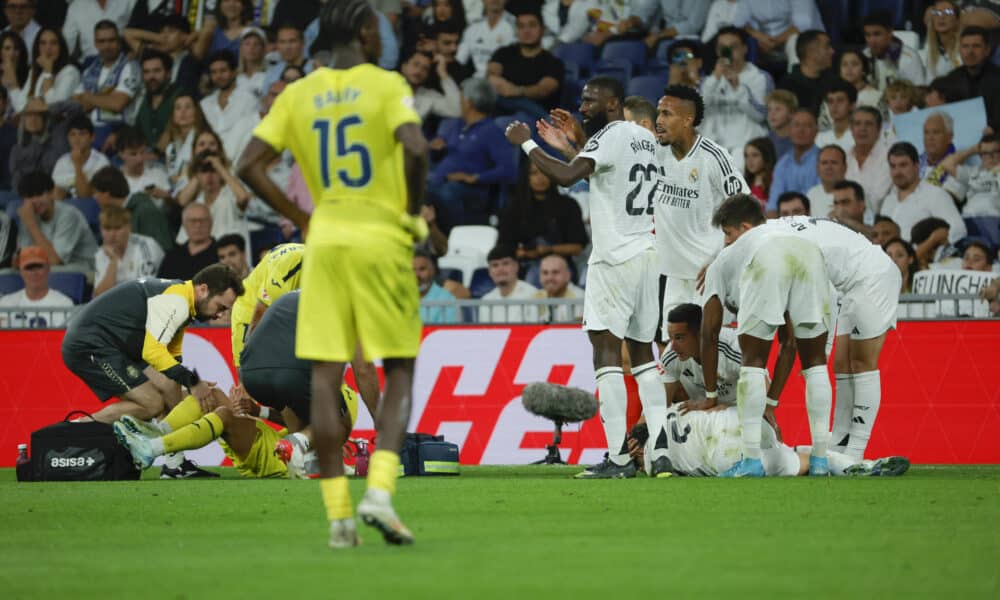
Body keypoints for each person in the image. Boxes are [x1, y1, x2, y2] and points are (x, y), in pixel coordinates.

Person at [236, 0, 431, 549]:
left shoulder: (297, 93)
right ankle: (381, 493)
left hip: (323, 244)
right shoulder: (384, 83)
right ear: (366, 32)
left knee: (324, 376)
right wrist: (411, 213)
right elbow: (415, 148)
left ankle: (338, 514)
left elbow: (247, 164)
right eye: (380, 30)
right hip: (380, 240)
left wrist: (303, 218)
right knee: (399, 371)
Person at [506, 75, 671, 481]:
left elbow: (565, 178)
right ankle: (662, 452)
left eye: (591, 101)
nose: (583, 106)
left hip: (614, 259)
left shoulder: (612, 134)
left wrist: (527, 142)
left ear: (614, 104)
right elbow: (606, 176)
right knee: (645, 357)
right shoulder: (646, 139)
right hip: (648, 255)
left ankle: (616, 458)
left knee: (606, 355)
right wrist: (577, 144)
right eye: (583, 99)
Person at [61, 263, 241, 478]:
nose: (219, 315)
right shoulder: (177, 303)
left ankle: (175, 465)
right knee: (151, 403)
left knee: (168, 387)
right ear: (203, 290)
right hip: (89, 345)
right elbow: (153, 353)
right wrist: (194, 383)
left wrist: (190, 389)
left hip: (113, 345)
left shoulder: (183, 302)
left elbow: (170, 367)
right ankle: (68, 434)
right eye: (220, 307)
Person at [701, 193, 833, 477]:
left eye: (727, 233)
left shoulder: (723, 260)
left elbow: (708, 334)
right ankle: (820, 460)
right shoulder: (789, 231)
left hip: (766, 260)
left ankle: (751, 461)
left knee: (753, 362)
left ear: (745, 229)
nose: (725, 241)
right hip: (812, 255)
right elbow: (789, 343)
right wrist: (771, 402)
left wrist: (710, 395)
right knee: (816, 364)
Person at [766, 214, 901, 461]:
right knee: (842, 364)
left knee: (861, 363)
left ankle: (856, 451)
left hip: (873, 276)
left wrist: (822, 348)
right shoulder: (775, 230)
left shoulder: (781, 245)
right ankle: (839, 443)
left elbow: (822, 288)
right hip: (848, 284)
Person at [652, 84, 750, 324]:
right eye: (658, 112)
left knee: (711, 353)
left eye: (667, 114)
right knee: (675, 357)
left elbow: (747, 212)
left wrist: (722, 260)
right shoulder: (655, 152)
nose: (658, 120)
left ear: (687, 119)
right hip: (673, 275)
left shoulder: (714, 157)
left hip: (709, 276)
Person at [632, 403, 911, 477]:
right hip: (741, 419)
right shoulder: (665, 410)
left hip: (724, 451)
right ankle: (859, 464)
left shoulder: (653, 461)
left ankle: (847, 466)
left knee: (799, 463)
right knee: (788, 452)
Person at [426, 77, 517, 232]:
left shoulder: (492, 132)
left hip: (469, 193)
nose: (459, 102)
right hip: (437, 180)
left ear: (469, 102)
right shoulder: (456, 125)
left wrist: (474, 178)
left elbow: (509, 170)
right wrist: (437, 147)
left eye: (461, 97)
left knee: (446, 192)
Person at [699, 26, 771, 166]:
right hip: (714, 147)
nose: (727, 53)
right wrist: (714, 79)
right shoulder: (709, 80)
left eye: (733, 47)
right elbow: (698, 112)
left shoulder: (759, 77)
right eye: (722, 48)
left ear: (744, 49)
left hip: (745, 147)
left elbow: (760, 115)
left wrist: (738, 89)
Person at [228, 242, 305, 372]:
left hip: (279, 311)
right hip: (250, 310)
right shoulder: (291, 264)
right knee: (247, 376)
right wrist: (249, 358)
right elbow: (260, 311)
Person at [497, 159, 588, 264]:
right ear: (526, 177)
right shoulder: (513, 208)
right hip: (522, 265)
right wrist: (522, 253)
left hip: (559, 265)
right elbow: (503, 246)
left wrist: (548, 250)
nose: (540, 178)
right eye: (534, 173)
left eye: (545, 173)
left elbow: (577, 247)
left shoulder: (568, 205)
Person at [71, 20, 141, 150]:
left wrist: (87, 96)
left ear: (119, 42)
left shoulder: (130, 66)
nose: (107, 46)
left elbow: (118, 104)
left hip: (118, 129)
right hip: (88, 128)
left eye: (111, 40)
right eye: (102, 42)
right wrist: (106, 96)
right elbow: (76, 102)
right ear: (96, 44)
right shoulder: (90, 68)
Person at [658, 303, 743, 409]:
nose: (673, 347)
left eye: (679, 338)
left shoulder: (734, 349)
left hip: (739, 409)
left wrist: (727, 409)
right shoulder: (670, 357)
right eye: (670, 338)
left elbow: (762, 393)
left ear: (701, 333)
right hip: (699, 410)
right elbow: (659, 407)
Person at [881, 141, 966, 244]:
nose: (897, 172)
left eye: (903, 165)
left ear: (917, 166)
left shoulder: (935, 195)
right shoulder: (888, 201)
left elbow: (958, 231)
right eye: (893, 166)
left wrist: (929, 247)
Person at [486, 11, 563, 120]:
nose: (526, 31)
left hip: (534, 114)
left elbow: (544, 90)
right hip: (501, 107)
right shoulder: (503, 53)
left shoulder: (553, 62)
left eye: (532, 25)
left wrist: (516, 91)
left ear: (542, 29)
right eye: (521, 26)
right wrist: (508, 90)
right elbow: (492, 77)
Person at [15, 171, 97, 272]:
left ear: (51, 193)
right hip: (49, 267)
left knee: (47, 271)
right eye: (29, 196)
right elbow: (24, 258)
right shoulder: (29, 216)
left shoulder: (69, 214)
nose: (34, 201)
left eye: (39, 195)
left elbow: (54, 261)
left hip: (84, 267)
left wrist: (32, 224)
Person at [175, 144, 251, 247]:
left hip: (230, 260)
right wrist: (198, 168)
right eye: (204, 171)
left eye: (213, 171)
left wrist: (219, 166)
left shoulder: (231, 196)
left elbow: (243, 197)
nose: (209, 176)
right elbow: (182, 201)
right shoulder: (197, 203)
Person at [91, 165, 172, 253]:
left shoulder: (146, 211)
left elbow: (162, 249)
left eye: (95, 193)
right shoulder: (116, 213)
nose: (94, 197)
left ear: (106, 194)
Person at [200, 50, 260, 164]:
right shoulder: (205, 104)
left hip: (239, 160)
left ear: (234, 72)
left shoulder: (248, 99)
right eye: (214, 72)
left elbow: (250, 136)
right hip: (209, 160)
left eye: (223, 71)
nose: (218, 76)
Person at [92, 205, 165, 297]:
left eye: (117, 228)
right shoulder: (101, 254)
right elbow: (99, 296)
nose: (112, 234)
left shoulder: (146, 246)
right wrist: (113, 262)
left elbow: (147, 291)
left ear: (129, 227)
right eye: (107, 229)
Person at [941, 26, 1000, 129]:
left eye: (976, 46)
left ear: (987, 50)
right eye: (965, 46)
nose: (970, 52)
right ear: (959, 51)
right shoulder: (951, 79)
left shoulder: (997, 78)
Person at [0, 246, 73, 328]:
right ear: (21, 271)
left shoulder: (63, 303)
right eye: (29, 268)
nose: (34, 273)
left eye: (39, 267)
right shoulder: (6, 303)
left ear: (48, 268)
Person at [14, 27, 79, 113]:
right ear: (38, 48)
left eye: (53, 43)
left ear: (61, 47)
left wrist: (48, 72)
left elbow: (55, 106)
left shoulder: (70, 71)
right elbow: (20, 106)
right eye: (43, 43)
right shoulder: (34, 71)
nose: (48, 48)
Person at [767, 108, 819, 215]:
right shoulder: (782, 163)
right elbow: (773, 205)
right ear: (789, 130)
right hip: (786, 221)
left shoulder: (823, 160)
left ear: (816, 131)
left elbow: (821, 199)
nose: (801, 130)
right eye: (796, 125)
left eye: (807, 125)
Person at [132, 49, 183, 154]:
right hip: (145, 159)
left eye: (156, 71)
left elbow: (173, 130)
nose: (151, 77)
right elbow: (136, 134)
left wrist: (154, 154)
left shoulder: (180, 95)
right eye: (146, 72)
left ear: (169, 74)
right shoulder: (142, 100)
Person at [936, 132, 1000, 216]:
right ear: (980, 156)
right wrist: (972, 150)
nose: (990, 157)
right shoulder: (973, 172)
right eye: (985, 153)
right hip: (970, 219)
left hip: (994, 219)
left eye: (995, 152)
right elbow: (946, 164)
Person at [862, 10, 926, 91]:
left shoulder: (909, 58)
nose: (872, 40)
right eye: (868, 35)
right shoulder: (864, 55)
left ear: (890, 32)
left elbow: (919, 91)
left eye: (877, 34)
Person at [778, 30, 836, 116]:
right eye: (827, 47)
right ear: (811, 52)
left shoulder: (834, 81)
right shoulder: (787, 86)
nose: (832, 51)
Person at [51, 114, 109, 200]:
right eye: (72, 134)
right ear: (68, 138)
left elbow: (85, 197)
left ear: (92, 137)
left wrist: (77, 165)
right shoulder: (62, 161)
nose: (77, 139)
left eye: (82, 134)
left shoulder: (102, 161)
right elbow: (55, 192)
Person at [846, 106, 893, 213]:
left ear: (879, 129)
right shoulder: (844, 156)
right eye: (857, 124)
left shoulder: (889, 157)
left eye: (868, 124)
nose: (862, 128)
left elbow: (877, 200)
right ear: (851, 129)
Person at [477, 243, 539, 322]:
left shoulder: (533, 295)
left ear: (516, 266)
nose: (500, 269)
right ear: (489, 271)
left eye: (505, 263)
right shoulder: (486, 301)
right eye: (495, 265)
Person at [158, 203, 218, 280]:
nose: (198, 225)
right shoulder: (172, 257)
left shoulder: (221, 254)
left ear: (211, 222)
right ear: (184, 224)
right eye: (193, 221)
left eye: (203, 220)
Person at [160, 93, 208, 187]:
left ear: (196, 112)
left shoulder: (203, 140)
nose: (183, 112)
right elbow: (171, 177)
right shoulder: (171, 148)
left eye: (188, 107)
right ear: (173, 115)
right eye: (178, 108)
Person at [457, 0, 515, 78]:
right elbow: (459, 60)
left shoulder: (517, 26)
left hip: (505, 81)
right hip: (476, 82)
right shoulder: (472, 27)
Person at [62, 0, 133, 62]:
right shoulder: (76, 6)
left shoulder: (127, 1)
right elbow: (66, 44)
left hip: (122, 61)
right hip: (89, 65)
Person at [401, 50, 461, 121]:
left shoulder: (429, 96)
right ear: (404, 67)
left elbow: (457, 111)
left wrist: (442, 72)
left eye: (425, 69)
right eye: (415, 64)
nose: (419, 71)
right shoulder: (388, 86)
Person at [533, 252, 583, 323]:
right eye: (545, 273)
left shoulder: (579, 297)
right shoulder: (534, 297)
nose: (549, 277)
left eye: (555, 272)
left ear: (567, 275)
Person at [923, 1, 962, 80]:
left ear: (957, 20)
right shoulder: (928, 49)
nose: (942, 17)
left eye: (948, 12)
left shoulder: (964, 48)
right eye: (937, 13)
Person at [806, 144, 847, 217]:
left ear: (845, 167)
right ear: (817, 168)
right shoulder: (812, 194)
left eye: (834, 162)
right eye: (824, 163)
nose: (829, 167)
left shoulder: (854, 193)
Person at [815, 79, 856, 151]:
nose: (834, 105)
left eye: (840, 100)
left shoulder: (859, 136)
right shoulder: (819, 138)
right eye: (830, 101)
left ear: (852, 105)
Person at [235, 27, 268, 100]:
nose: (251, 48)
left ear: (263, 49)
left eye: (256, 44)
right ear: (241, 48)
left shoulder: (270, 75)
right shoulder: (233, 76)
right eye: (247, 44)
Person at [743, 137, 775, 208]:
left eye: (755, 155)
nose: (749, 160)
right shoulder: (743, 182)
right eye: (746, 156)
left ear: (766, 156)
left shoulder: (776, 180)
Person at [764, 89, 796, 159]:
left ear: (791, 113)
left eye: (778, 109)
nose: (772, 114)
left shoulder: (799, 139)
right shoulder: (767, 140)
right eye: (769, 109)